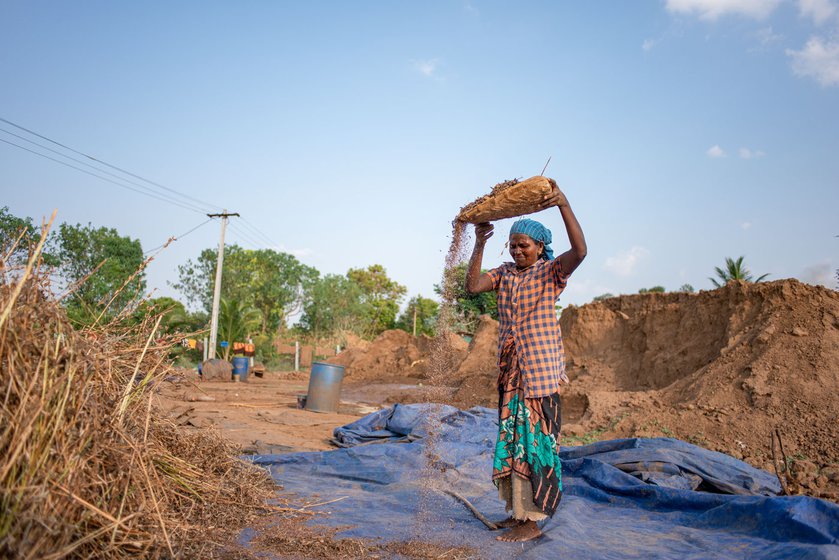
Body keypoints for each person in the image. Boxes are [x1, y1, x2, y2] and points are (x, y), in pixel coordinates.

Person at [465, 180, 586, 542]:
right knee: (513, 441)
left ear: (540, 248)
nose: (518, 250)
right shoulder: (503, 274)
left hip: (540, 377)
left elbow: (580, 250)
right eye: (514, 244)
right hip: (512, 375)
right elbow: (472, 287)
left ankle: (532, 521)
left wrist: (563, 204)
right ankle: (517, 514)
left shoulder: (550, 274)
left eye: (525, 245)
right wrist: (480, 242)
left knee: (535, 445)